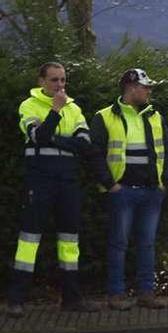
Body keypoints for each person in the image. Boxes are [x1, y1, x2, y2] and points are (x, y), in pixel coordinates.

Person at [6, 62, 101, 318]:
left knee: (70, 241)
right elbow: (38, 136)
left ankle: (71, 299)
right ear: (41, 82)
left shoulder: (75, 108)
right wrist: (55, 112)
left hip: (68, 181)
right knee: (29, 240)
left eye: (63, 80)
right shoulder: (29, 105)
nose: (60, 85)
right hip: (40, 181)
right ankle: (16, 300)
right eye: (54, 80)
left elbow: (84, 145)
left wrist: (57, 138)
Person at [90, 68, 168, 310]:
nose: (149, 91)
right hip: (122, 191)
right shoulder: (104, 117)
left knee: (147, 244)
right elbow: (94, 154)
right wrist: (110, 184)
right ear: (131, 88)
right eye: (145, 87)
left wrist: (163, 182)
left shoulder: (155, 116)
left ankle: (146, 293)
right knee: (119, 244)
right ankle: (116, 295)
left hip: (150, 192)